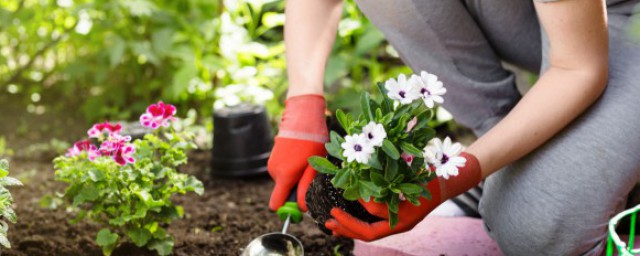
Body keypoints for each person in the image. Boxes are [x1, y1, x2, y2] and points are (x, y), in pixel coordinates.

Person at [267, 0, 640, 255]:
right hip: (551, 18)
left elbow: (578, 68)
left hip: (627, 23)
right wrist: (302, 105)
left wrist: (453, 177)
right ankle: (510, 161)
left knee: (534, 233)